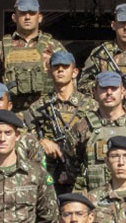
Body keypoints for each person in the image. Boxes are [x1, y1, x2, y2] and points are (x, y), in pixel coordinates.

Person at [72, 71, 126, 195]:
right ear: (95, 92)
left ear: (123, 91)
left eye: (114, 88)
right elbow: (70, 163)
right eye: (103, 88)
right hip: (95, 202)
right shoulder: (82, 126)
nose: (109, 93)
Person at [20, 52, 92, 187]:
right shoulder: (39, 106)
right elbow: (20, 134)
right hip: (50, 173)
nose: (60, 70)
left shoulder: (90, 105)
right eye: (56, 66)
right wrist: (40, 141)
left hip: (81, 175)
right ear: (49, 71)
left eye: (65, 67)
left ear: (75, 72)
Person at [0, 0, 68, 111]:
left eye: (32, 13)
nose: (27, 17)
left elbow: (68, 83)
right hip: (11, 116)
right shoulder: (1, 48)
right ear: (14, 17)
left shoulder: (54, 47)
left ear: (39, 17)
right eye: (22, 13)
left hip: (47, 114)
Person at [79, 3, 126, 99]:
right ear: (113, 25)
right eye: (122, 22)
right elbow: (83, 85)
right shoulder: (101, 54)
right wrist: (105, 87)